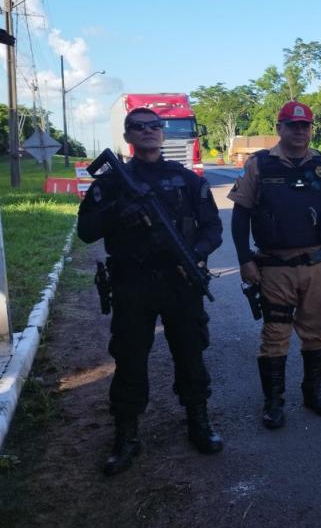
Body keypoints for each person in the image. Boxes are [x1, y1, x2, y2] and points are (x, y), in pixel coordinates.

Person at [77, 108, 224, 476]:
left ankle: (198, 423)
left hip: (181, 282)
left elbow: (212, 228)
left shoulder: (186, 180)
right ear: (128, 136)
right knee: (129, 361)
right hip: (132, 285)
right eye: (138, 127)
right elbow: (86, 230)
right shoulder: (112, 183)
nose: (148, 132)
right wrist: (117, 213)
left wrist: (196, 255)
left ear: (163, 133)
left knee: (191, 354)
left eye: (154, 126)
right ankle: (126, 437)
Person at [228, 101, 321, 430]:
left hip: (318, 264)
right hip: (274, 267)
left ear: (311, 129)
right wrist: (244, 260)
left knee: (317, 334)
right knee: (275, 335)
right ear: (279, 128)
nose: (299, 132)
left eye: (305, 126)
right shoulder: (260, 165)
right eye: (292, 126)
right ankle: (274, 402)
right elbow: (240, 216)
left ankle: (313, 394)